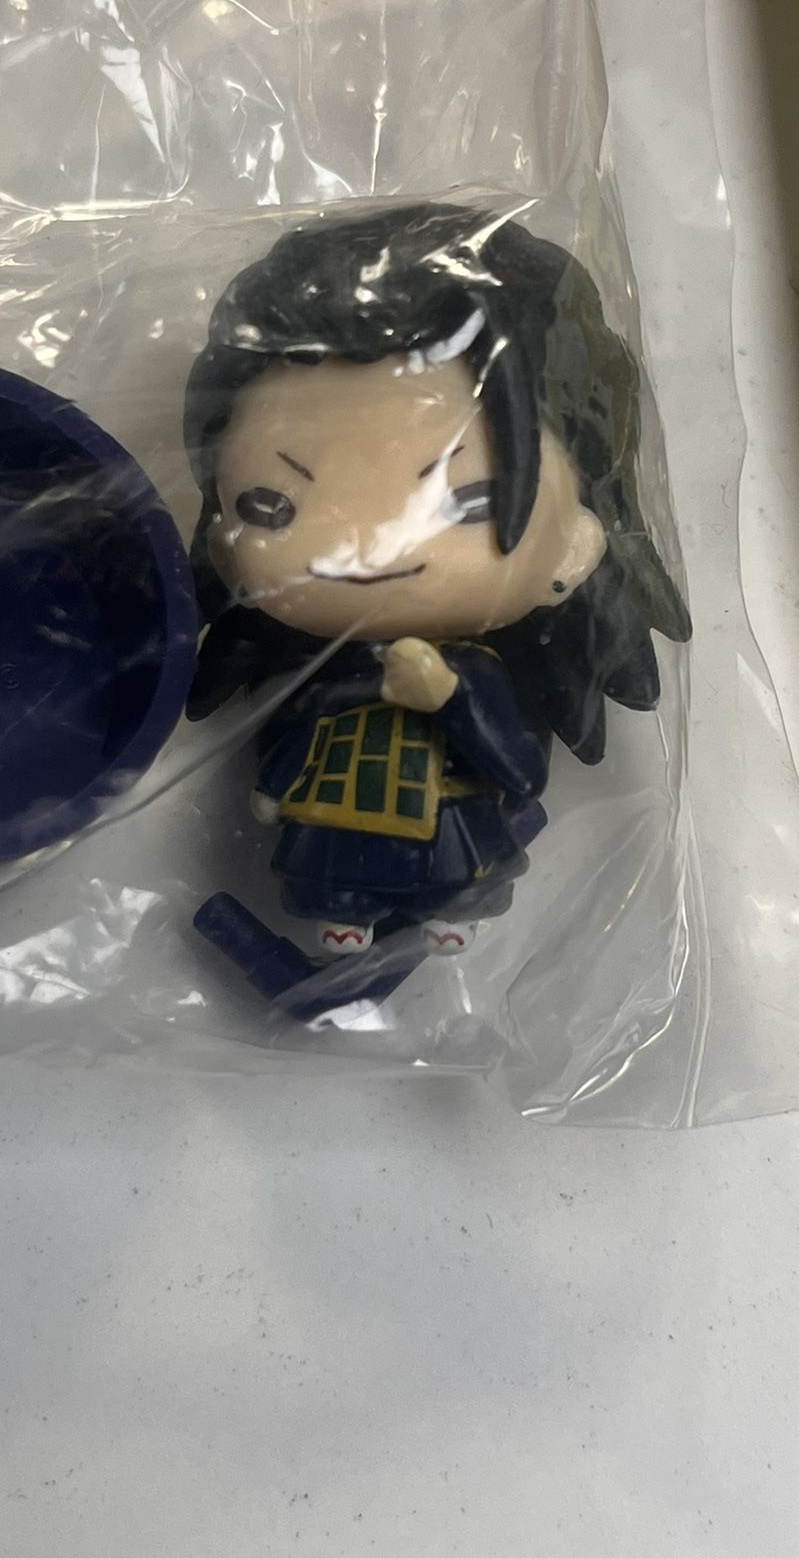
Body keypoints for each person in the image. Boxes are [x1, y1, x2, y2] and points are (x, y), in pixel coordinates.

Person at [183, 203, 687, 1015]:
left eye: (468, 501)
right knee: (333, 876)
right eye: (273, 505)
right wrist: (275, 785)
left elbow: (516, 771)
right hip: (336, 831)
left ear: (577, 545)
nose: (369, 548)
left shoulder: (476, 675)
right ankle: (349, 930)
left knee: (452, 867)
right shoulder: (320, 675)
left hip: (445, 830)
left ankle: (438, 915)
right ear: (221, 533)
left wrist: (450, 697)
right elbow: (292, 736)